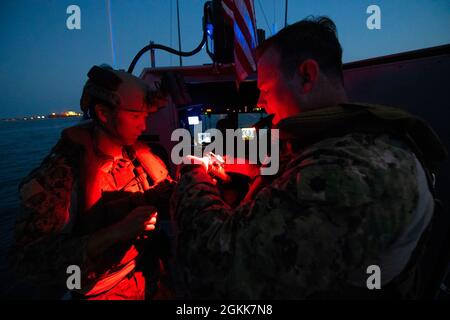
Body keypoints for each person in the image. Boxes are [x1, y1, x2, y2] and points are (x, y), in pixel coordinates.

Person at [170, 17, 447, 299]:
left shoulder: (350, 171)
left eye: (265, 89)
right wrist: (240, 174)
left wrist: (193, 173)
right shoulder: (350, 140)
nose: (261, 103)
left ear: (306, 75)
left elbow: (215, 272)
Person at [13, 65, 175, 300]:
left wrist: (196, 177)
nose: (144, 125)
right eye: (136, 116)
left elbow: (166, 192)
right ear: (103, 113)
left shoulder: (136, 156)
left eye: (146, 116)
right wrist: (115, 233)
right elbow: (27, 260)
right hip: (103, 291)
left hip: (146, 273)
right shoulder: (61, 176)